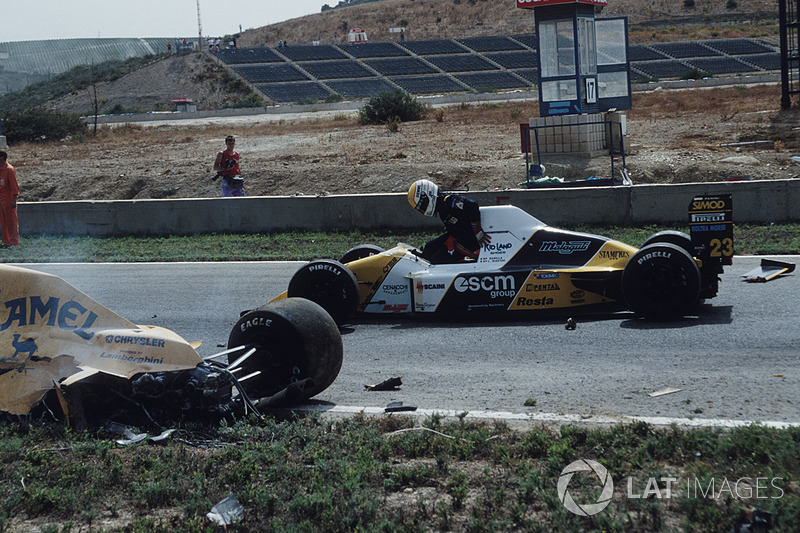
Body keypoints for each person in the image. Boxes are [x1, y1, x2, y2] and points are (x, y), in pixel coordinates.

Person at [407, 179, 490, 264]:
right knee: (429, 248)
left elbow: (472, 205)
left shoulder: (449, 201)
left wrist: (477, 229)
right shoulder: (441, 208)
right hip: (459, 236)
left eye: (422, 204)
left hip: (470, 239)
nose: (423, 209)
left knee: (437, 259)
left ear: (429, 194)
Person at [0, 150, 20, 247]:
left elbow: (14, 186)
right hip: (1, 200)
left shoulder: (9, 170)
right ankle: (6, 241)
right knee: (3, 222)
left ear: (2, 158)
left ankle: (14, 241)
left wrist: (13, 200)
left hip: (8, 199)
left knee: (11, 221)